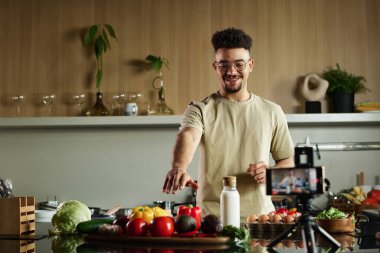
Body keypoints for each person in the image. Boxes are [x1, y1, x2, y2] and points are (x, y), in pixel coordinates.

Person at [162, 27, 294, 217]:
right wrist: (179, 167)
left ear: (250, 65)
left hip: (260, 220)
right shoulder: (200, 109)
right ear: (215, 67)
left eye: (239, 64)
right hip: (212, 222)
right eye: (224, 65)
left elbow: (287, 162)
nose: (231, 71)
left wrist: (271, 174)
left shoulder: (272, 111)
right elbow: (188, 136)